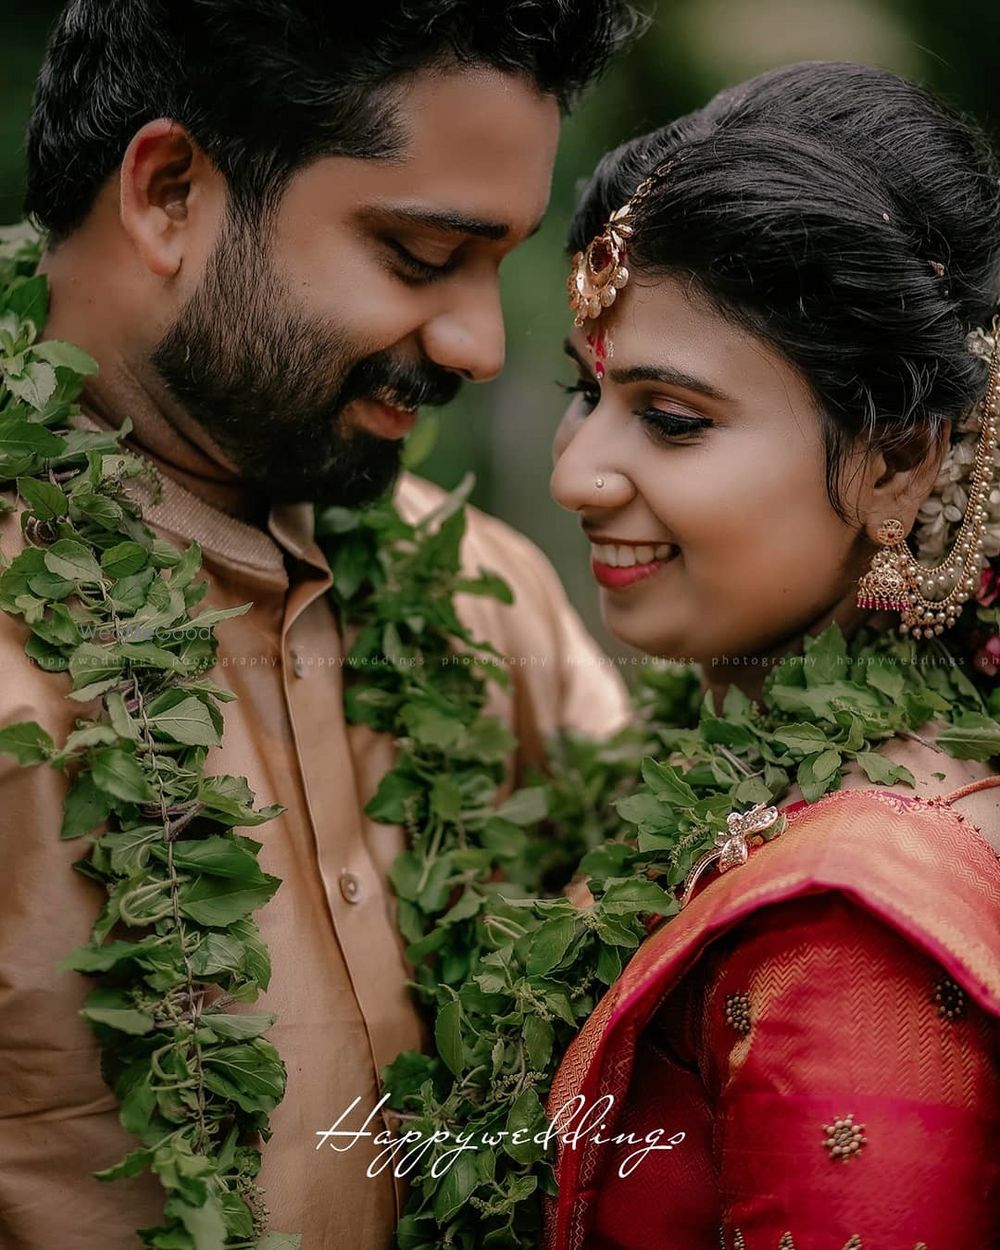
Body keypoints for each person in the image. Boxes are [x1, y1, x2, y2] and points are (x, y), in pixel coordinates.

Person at [0, 3, 640, 1247]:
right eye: (415, 255)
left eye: (492, 265)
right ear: (170, 192)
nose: (479, 342)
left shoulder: (479, 597)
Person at [545, 61, 1000, 1248]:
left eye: (671, 417)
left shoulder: (849, 928)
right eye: (581, 393)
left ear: (896, 460)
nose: (574, 475)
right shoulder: (718, 768)